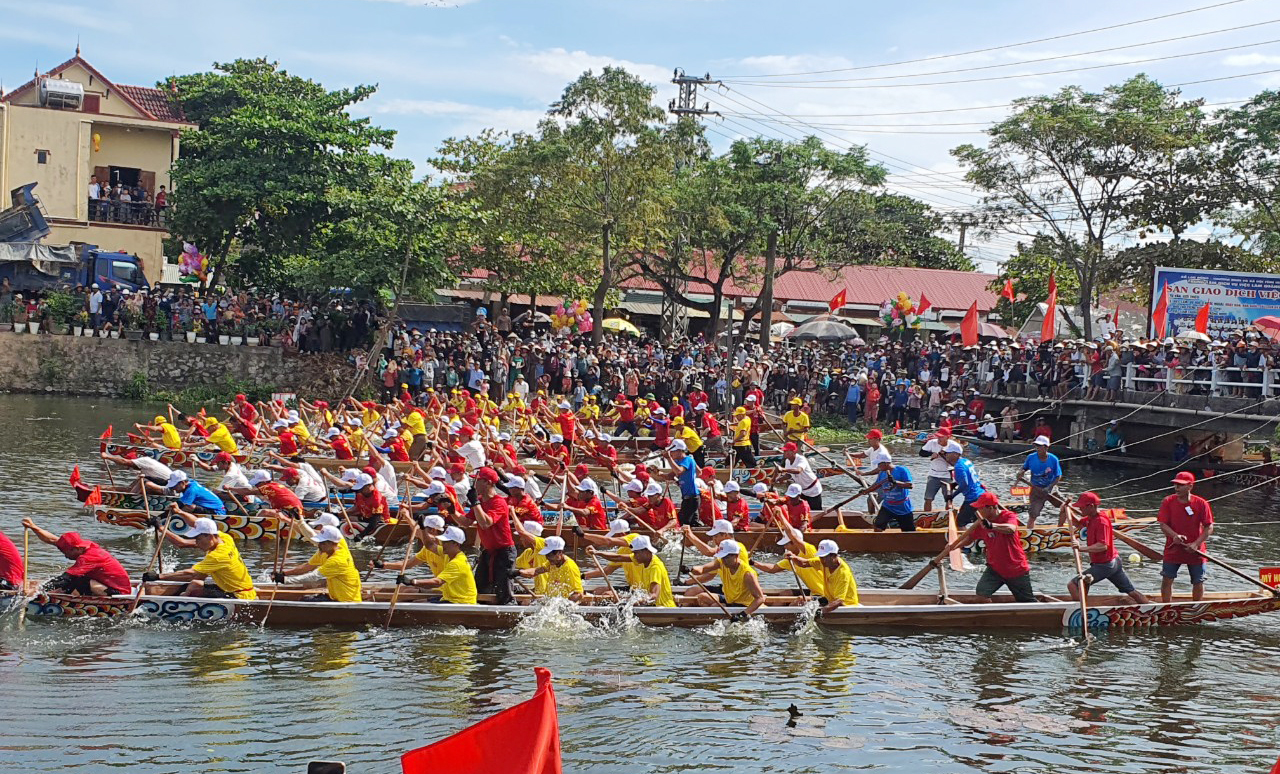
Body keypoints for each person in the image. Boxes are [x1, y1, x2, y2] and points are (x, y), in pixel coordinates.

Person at [1061, 492, 1149, 605]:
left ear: (1091, 506)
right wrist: (1067, 511)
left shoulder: (1101, 522)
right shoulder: (1090, 518)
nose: (1081, 509)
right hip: (1112, 561)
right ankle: (1149, 606)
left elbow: (1102, 546)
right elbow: (1078, 524)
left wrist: (1080, 548)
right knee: (1131, 591)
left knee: (1074, 585)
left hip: (1106, 564)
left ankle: (1079, 611)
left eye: (1082, 507)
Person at [145, 517, 258, 599]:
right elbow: (197, 523)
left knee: (193, 584)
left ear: (209, 536)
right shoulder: (225, 538)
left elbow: (191, 574)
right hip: (240, 589)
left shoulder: (218, 556)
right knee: (196, 583)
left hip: (239, 597)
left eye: (198, 539)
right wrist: (177, 512)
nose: (197, 543)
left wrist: (158, 576)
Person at [21, 519, 130, 596]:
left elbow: (64, 579)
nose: (65, 555)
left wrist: (37, 591)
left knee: (77, 581)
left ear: (76, 549)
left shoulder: (88, 558)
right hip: (106, 585)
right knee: (73, 581)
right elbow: (52, 540)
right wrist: (33, 527)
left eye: (66, 552)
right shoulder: (87, 546)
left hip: (119, 593)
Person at [960, 493, 1034, 603]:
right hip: (995, 568)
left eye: (981, 508)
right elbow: (970, 538)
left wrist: (992, 526)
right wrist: (954, 546)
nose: (978, 511)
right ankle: (991, 617)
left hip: (1015, 568)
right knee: (981, 594)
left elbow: (1011, 528)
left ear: (990, 508)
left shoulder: (1008, 516)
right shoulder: (981, 523)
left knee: (1026, 601)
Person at [1158, 472, 1214, 602]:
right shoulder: (1168, 501)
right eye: (1175, 485)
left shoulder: (1201, 503)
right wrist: (1174, 536)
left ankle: (1197, 608)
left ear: (1190, 486)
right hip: (1174, 548)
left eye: (1180, 485)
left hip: (1196, 550)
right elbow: (1163, 524)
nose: (1177, 488)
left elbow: (1209, 527)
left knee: (1198, 581)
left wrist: (1196, 543)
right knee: (1167, 579)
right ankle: (1166, 607)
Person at [464, 467, 516, 605]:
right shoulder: (480, 500)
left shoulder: (498, 502)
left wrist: (475, 503)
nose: (474, 483)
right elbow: (465, 522)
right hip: (488, 552)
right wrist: (451, 509)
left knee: (504, 594)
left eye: (477, 480)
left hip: (504, 552)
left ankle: (508, 613)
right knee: (478, 587)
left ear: (487, 482)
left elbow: (485, 523)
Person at [275, 525, 362, 602]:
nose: (319, 545)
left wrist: (285, 580)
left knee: (305, 601)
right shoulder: (337, 544)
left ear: (331, 543)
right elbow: (310, 536)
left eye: (322, 543)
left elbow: (313, 576)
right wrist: (300, 521)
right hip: (334, 596)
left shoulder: (337, 560)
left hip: (346, 600)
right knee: (305, 598)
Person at [687, 539, 765, 620]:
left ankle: (710, 622)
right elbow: (702, 569)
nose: (723, 560)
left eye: (726, 557)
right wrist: (690, 569)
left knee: (715, 607)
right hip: (730, 600)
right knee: (702, 597)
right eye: (722, 557)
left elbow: (760, 598)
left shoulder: (748, 574)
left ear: (736, 555)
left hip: (744, 605)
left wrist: (742, 614)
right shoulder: (721, 562)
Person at [396, 526, 477, 604]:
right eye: (443, 542)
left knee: (414, 606)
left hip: (460, 602)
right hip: (449, 598)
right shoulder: (447, 554)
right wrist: (423, 528)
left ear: (456, 544)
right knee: (415, 602)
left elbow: (437, 582)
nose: (442, 544)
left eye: (446, 542)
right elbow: (429, 545)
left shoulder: (457, 563)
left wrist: (412, 581)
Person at [586, 535, 675, 607]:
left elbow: (653, 596)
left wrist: (631, 602)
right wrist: (597, 552)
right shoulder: (643, 558)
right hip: (649, 604)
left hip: (661, 606)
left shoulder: (655, 567)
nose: (634, 555)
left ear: (646, 551)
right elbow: (618, 557)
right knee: (605, 595)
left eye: (636, 553)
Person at [784, 539, 860, 614]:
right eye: (820, 557)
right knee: (800, 600)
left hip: (845, 606)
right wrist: (793, 557)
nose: (822, 560)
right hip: (830, 599)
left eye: (824, 557)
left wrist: (820, 612)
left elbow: (839, 601)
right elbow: (803, 563)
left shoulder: (843, 573)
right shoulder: (822, 561)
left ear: (833, 556)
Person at [854, 448, 914, 532]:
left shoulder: (901, 470)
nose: (877, 467)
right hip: (888, 506)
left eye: (878, 464)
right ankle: (879, 543)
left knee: (909, 531)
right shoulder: (882, 473)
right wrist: (866, 491)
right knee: (878, 526)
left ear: (886, 463)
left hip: (902, 506)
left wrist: (895, 482)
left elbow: (910, 485)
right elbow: (876, 485)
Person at [515, 536, 584, 601]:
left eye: (549, 555)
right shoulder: (553, 562)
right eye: (546, 555)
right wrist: (518, 572)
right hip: (550, 599)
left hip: (560, 604)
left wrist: (562, 604)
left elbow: (578, 594)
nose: (547, 558)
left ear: (559, 553)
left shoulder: (570, 568)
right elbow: (536, 571)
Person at [1014, 435, 1061, 528]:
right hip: (1036, 490)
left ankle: (1061, 528)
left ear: (1046, 447)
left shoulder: (1053, 459)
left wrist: (1049, 487)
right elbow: (1024, 468)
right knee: (1033, 514)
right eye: (1036, 446)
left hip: (1050, 488)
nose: (1037, 448)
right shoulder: (1031, 457)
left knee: (1065, 506)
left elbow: (1058, 476)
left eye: (1040, 446)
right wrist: (1020, 472)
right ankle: (1030, 532)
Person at [947, 441, 986, 528]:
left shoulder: (959, 466)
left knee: (960, 522)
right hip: (980, 493)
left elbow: (965, 484)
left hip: (973, 497)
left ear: (956, 454)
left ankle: (966, 540)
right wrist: (956, 483)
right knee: (978, 520)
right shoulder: (966, 461)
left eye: (949, 453)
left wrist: (952, 496)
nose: (947, 455)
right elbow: (968, 478)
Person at [918, 428, 955, 512]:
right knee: (928, 498)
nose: (939, 439)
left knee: (949, 499)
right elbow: (921, 453)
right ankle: (927, 517)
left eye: (941, 437)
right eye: (938, 437)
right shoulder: (932, 443)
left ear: (948, 437)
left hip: (947, 475)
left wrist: (945, 455)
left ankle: (949, 516)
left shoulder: (953, 445)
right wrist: (932, 454)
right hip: (933, 474)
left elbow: (956, 462)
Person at [780, 442, 823, 510]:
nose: (784, 453)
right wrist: (780, 479)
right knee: (802, 509)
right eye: (784, 451)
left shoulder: (801, 459)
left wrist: (783, 469)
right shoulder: (787, 461)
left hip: (813, 489)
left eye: (786, 451)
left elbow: (798, 471)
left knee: (815, 510)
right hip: (802, 491)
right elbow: (789, 475)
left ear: (793, 452)